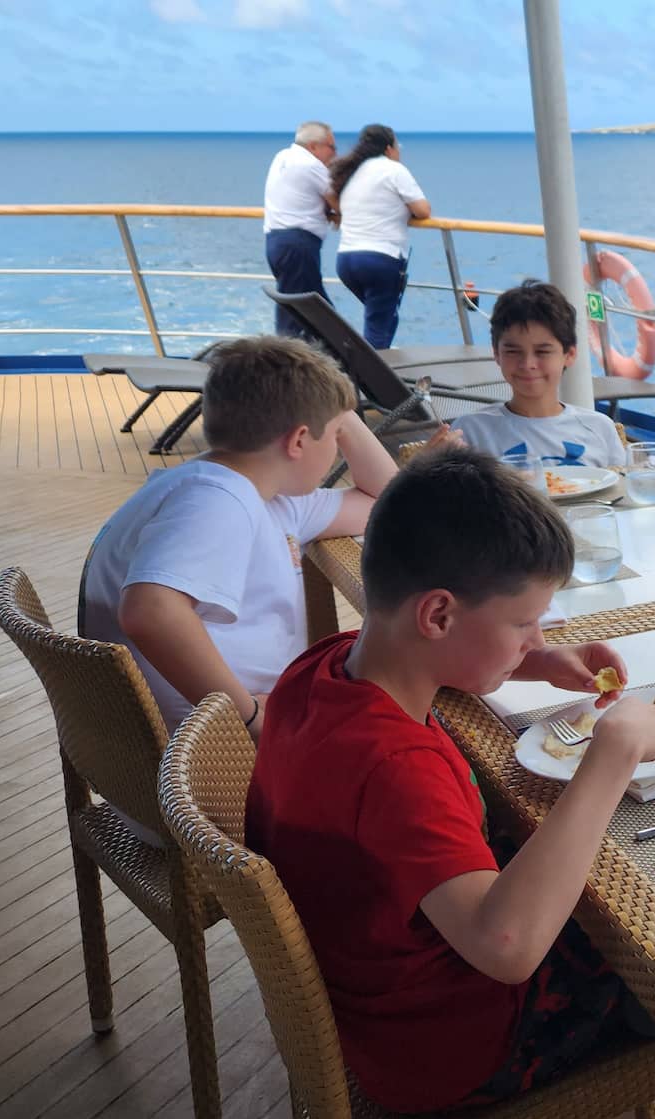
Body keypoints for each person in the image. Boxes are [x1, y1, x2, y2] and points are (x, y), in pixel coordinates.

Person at [246, 448, 655, 1119]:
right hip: (457, 1045)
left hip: (386, 987)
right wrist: (612, 755)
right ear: (437, 615)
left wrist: (535, 661)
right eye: (523, 623)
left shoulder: (321, 671)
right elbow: (508, 947)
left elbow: (426, 659)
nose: (535, 637)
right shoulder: (394, 769)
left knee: (647, 891)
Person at [82, 335, 394, 741]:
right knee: (407, 728)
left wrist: (337, 408)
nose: (339, 448)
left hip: (227, 724)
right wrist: (247, 716)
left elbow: (387, 501)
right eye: (337, 435)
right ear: (299, 440)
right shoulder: (216, 501)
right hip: (214, 748)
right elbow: (149, 611)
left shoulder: (257, 493)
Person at [450, 280, 629, 468]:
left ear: (569, 355)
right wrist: (434, 464)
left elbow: (622, 484)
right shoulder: (471, 432)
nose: (528, 364)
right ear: (496, 353)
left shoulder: (599, 428)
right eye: (513, 351)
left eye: (542, 352)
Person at [328, 123, 430, 348]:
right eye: (398, 146)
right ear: (388, 148)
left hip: (346, 260)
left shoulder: (352, 172)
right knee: (379, 328)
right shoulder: (394, 170)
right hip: (380, 260)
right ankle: (368, 370)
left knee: (384, 319)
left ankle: (370, 363)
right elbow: (423, 210)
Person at [262, 121, 338, 338]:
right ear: (313, 146)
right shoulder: (310, 165)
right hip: (298, 245)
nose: (335, 154)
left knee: (308, 310)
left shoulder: (282, 157)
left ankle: (328, 354)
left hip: (277, 242)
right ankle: (287, 357)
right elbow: (338, 202)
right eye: (331, 147)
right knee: (304, 315)